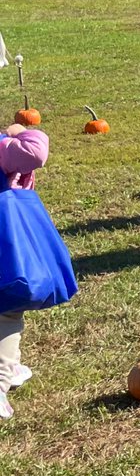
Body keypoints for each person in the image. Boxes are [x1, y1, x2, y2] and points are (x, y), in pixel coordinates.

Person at [0, 122, 52, 419]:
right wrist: (20, 132)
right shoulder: (4, 148)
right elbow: (35, 153)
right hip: (5, 243)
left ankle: (12, 366)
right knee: (7, 311)